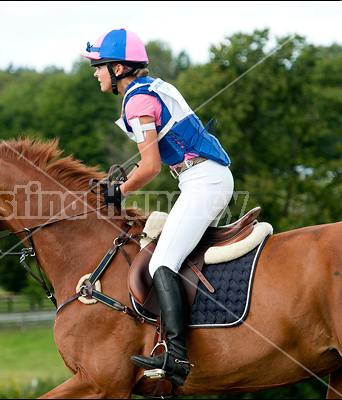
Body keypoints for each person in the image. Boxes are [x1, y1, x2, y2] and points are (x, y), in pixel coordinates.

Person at [82, 28, 234, 386]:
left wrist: (121, 191)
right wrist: (122, 184)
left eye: (99, 66)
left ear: (118, 68)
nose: (95, 72)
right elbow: (149, 161)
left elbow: (149, 166)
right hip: (201, 178)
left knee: (163, 260)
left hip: (204, 181)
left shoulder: (136, 102)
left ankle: (177, 356)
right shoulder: (149, 89)